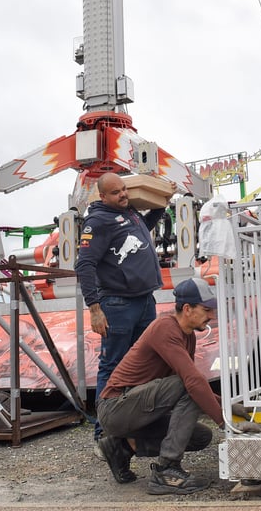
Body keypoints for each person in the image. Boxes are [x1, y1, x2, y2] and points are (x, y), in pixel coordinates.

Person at [95, 277, 261, 495]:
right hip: (115, 409)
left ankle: (121, 447)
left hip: (136, 408)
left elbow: (194, 384)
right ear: (187, 309)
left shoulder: (188, 337)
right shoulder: (165, 328)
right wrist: (226, 422)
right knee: (188, 385)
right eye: (206, 309)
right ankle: (166, 470)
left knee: (200, 436)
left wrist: (229, 407)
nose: (212, 315)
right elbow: (191, 382)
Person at [75, 172, 175, 450]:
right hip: (118, 304)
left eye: (123, 189)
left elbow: (145, 226)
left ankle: (138, 426)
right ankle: (104, 435)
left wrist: (163, 200)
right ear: (103, 196)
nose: (123, 194)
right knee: (113, 365)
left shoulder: (128, 212)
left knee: (144, 362)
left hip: (144, 301)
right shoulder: (97, 222)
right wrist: (95, 309)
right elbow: (84, 265)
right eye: (116, 192)